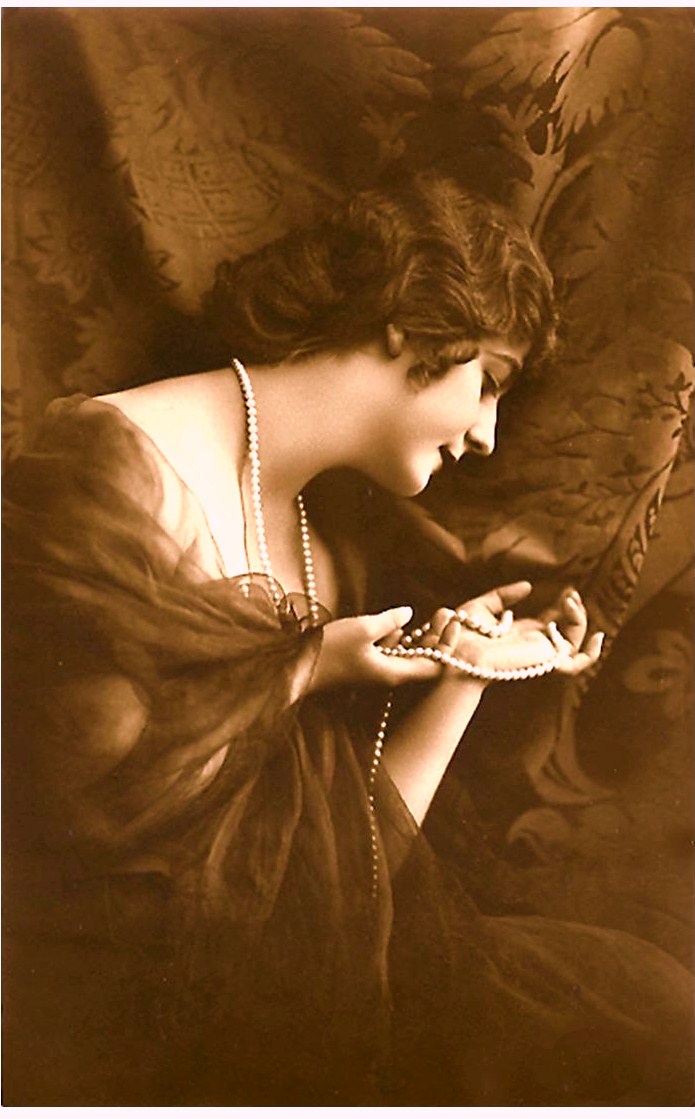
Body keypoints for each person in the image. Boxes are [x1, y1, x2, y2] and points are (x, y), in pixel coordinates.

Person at [4, 175, 692, 1106]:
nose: (486, 434)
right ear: (410, 322)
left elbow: (350, 884)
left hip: (280, 1004)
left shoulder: (325, 541)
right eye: (487, 382)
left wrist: (463, 672)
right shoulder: (115, 467)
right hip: (107, 1037)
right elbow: (80, 817)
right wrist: (306, 664)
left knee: (650, 1020)